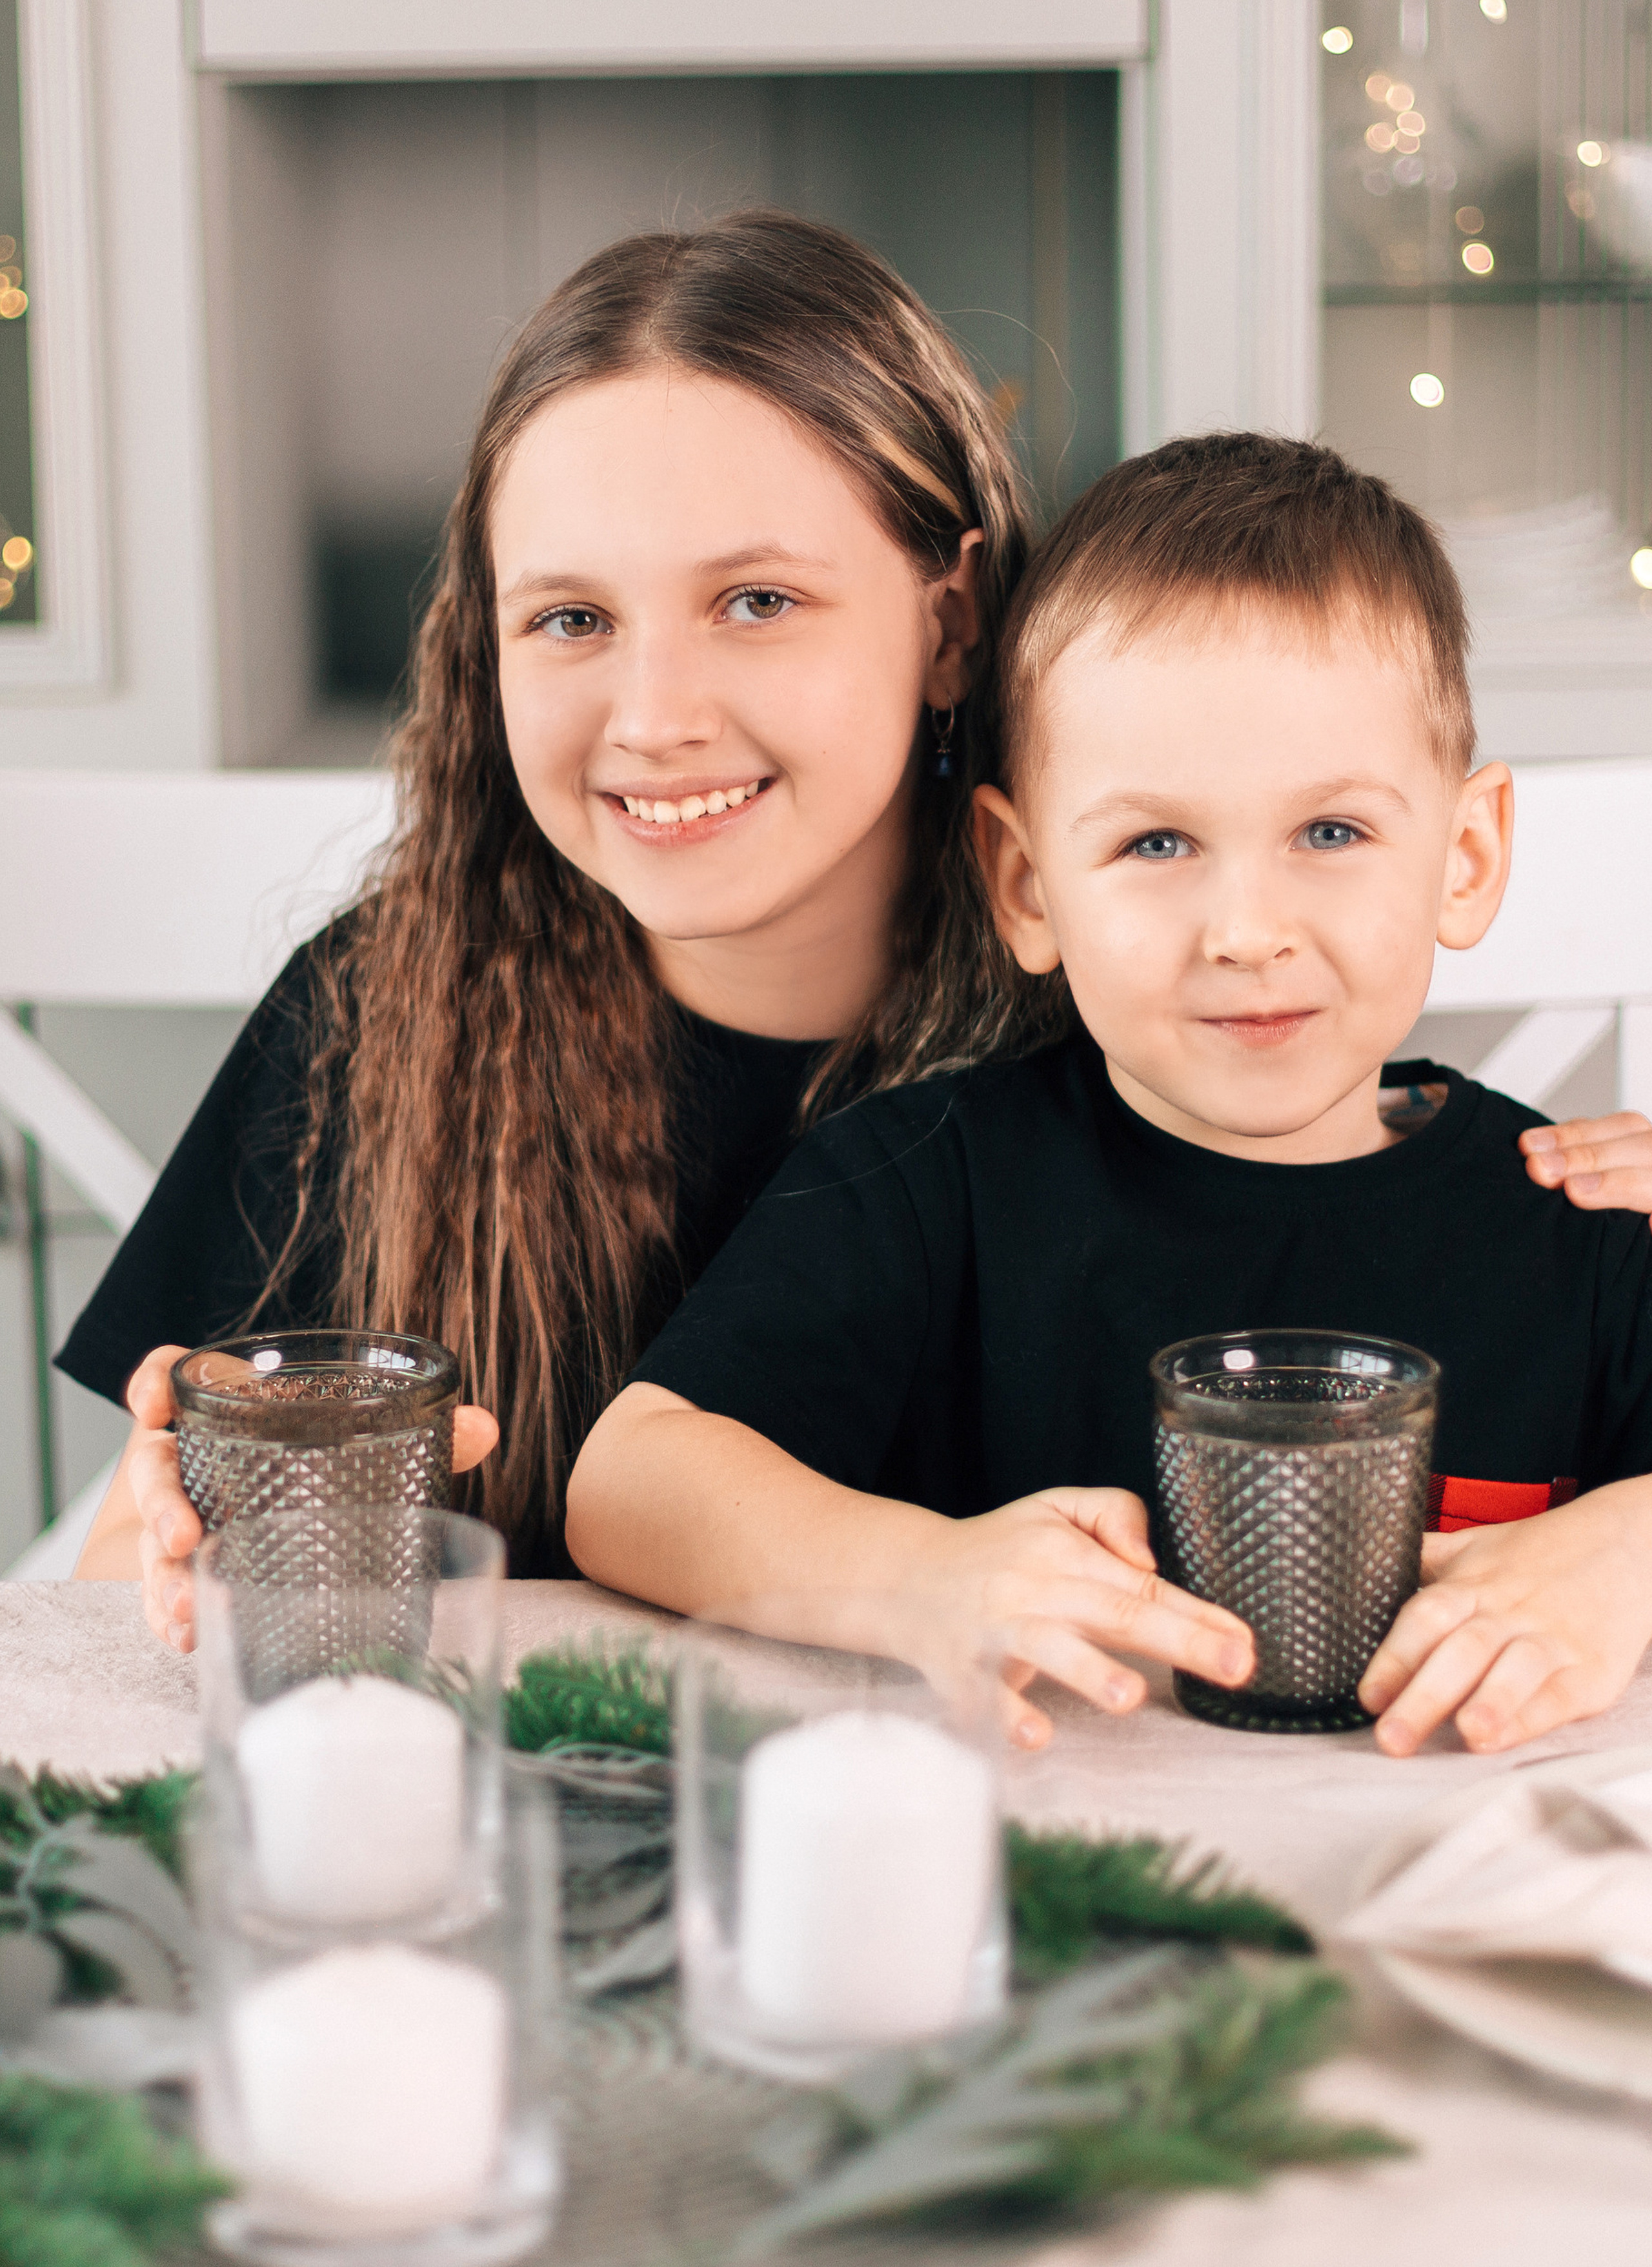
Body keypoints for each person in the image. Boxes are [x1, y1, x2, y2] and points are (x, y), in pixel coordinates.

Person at [66, 213, 1646, 1645]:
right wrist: (182, 1536)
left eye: (756, 600)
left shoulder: (1152, 1012)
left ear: (950, 618)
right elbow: (116, 1606)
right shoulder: (381, 1018)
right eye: (569, 618)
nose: (656, 715)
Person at [566, 432, 1652, 1760]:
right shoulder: (932, 1177)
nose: (1245, 929)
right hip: (1047, 1900)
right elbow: (629, 1482)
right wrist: (919, 1577)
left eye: (1330, 833)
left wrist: (1626, 1550)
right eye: (1154, 842)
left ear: (1464, 855)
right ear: (1025, 885)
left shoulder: (1584, 1221)